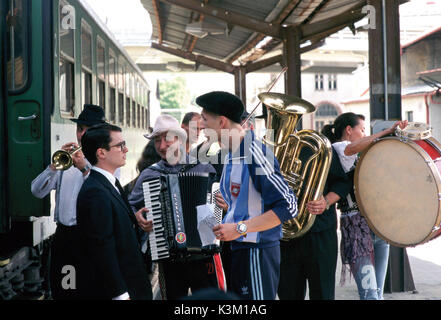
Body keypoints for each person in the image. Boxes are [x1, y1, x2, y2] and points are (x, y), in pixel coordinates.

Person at [196, 91, 298, 300]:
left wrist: (239, 228)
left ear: (222, 122)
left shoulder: (253, 152)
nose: (200, 126)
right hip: (241, 250)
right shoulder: (232, 152)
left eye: (204, 120)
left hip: (256, 252)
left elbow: (289, 206)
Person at [128, 114, 226, 300]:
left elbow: (221, 208)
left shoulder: (204, 169)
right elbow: (129, 206)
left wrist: (222, 206)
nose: (162, 146)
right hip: (169, 257)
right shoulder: (150, 174)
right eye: (157, 140)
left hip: (204, 255)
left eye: (167, 139)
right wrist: (137, 216)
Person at [321, 112, 408, 300]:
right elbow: (352, 148)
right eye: (362, 129)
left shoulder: (359, 150)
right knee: (370, 294)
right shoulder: (339, 148)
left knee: (376, 294)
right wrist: (385, 132)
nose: (365, 133)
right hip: (356, 228)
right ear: (349, 130)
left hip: (375, 224)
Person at [31, 104, 105, 300]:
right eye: (79, 129)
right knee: (66, 289)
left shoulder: (105, 161)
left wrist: (84, 168)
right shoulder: (66, 160)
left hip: (90, 238)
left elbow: (105, 195)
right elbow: (37, 190)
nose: (81, 134)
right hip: (66, 238)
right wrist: (53, 168)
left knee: (89, 291)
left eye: (87, 130)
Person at [76, 123, 152, 300]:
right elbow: (102, 248)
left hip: (132, 282)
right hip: (122, 290)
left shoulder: (110, 183)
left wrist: (134, 219)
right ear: (101, 153)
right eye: (120, 145)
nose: (126, 150)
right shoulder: (95, 192)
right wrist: (120, 294)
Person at [277, 127, 351, 300]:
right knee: (288, 293)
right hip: (285, 235)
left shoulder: (315, 145)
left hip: (319, 233)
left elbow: (342, 183)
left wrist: (326, 201)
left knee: (323, 293)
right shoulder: (266, 151)